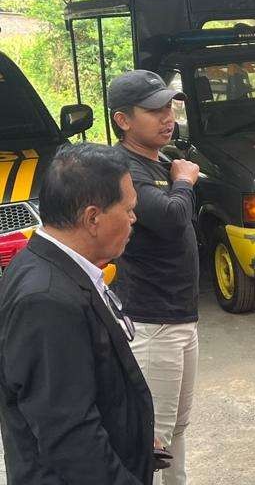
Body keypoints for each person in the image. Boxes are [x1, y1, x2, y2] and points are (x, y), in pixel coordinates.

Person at [0, 143, 155, 484]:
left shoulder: (46, 263)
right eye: (128, 210)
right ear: (92, 218)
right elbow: (69, 436)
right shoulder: (46, 300)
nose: (134, 219)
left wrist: (138, 436)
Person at [109, 70, 200, 485]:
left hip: (180, 316)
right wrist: (183, 182)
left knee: (175, 430)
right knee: (153, 437)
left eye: (169, 107)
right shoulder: (124, 168)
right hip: (152, 321)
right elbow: (169, 217)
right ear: (123, 120)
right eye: (154, 110)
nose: (167, 117)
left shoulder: (157, 160)